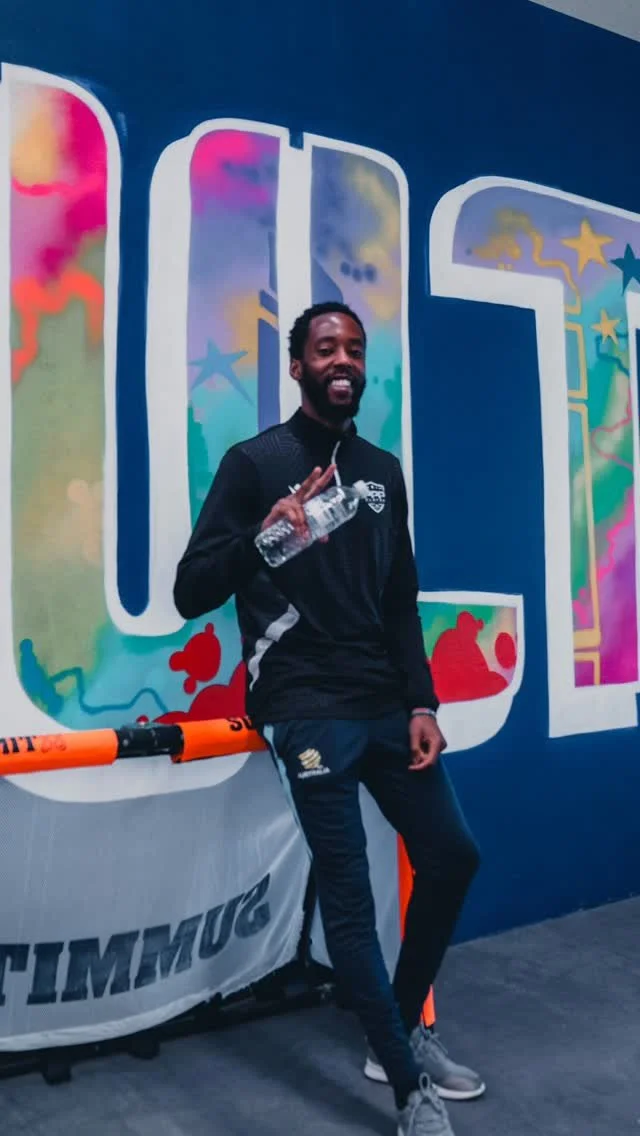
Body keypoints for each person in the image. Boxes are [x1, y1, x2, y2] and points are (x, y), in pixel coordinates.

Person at [174, 302, 484, 1135]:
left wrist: (422, 700)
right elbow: (190, 590)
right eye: (324, 348)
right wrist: (260, 537)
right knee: (349, 897)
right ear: (297, 365)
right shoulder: (256, 464)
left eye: (353, 348)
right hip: (303, 704)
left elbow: (400, 599)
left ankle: (397, 1034)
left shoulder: (382, 471)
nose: (342, 359)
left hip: (383, 701)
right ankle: (408, 1093)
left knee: (453, 855)